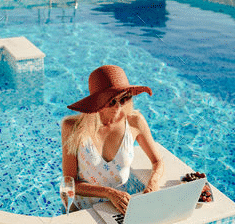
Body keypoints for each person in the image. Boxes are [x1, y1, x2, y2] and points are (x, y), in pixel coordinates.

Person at [61, 65, 165, 215]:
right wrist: (109, 193)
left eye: (124, 98)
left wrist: (153, 184)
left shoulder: (135, 122)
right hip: (85, 209)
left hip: (122, 207)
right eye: (111, 101)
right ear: (97, 101)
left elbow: (157, 162)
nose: (118, 107)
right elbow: (69, 182)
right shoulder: (73, 128)